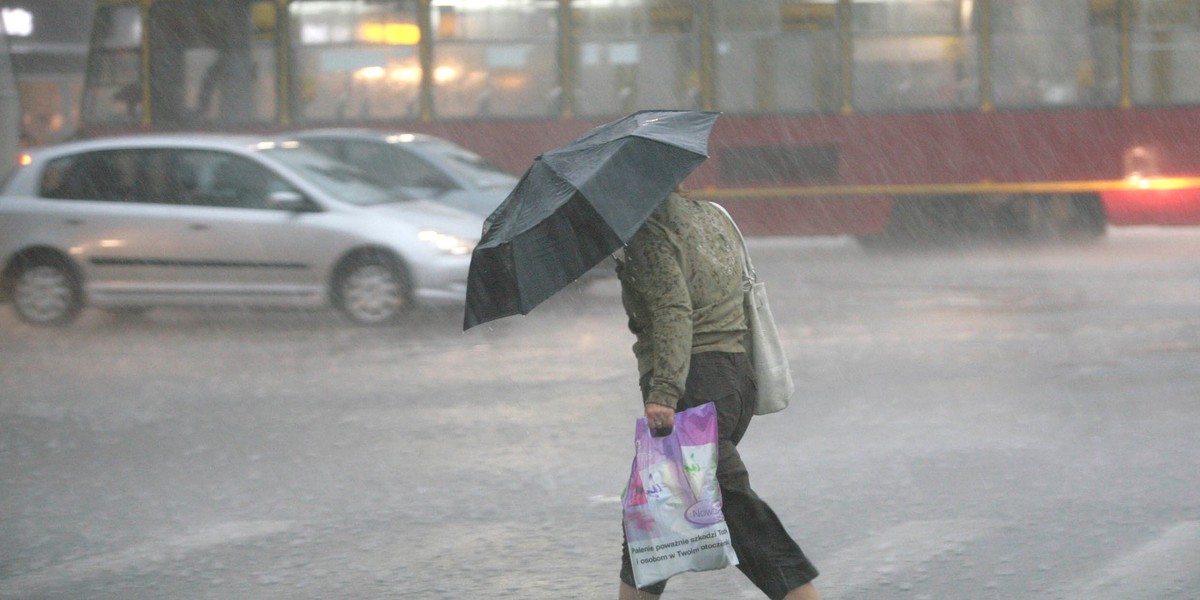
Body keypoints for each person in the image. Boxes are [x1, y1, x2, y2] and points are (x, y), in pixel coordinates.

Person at [615, 190, 822, 600]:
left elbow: (674, 309)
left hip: (692, 387)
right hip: (733, 376)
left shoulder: (648, 233)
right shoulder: (713, 216)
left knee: (733, 510)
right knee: (653, 514)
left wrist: (664, 391)